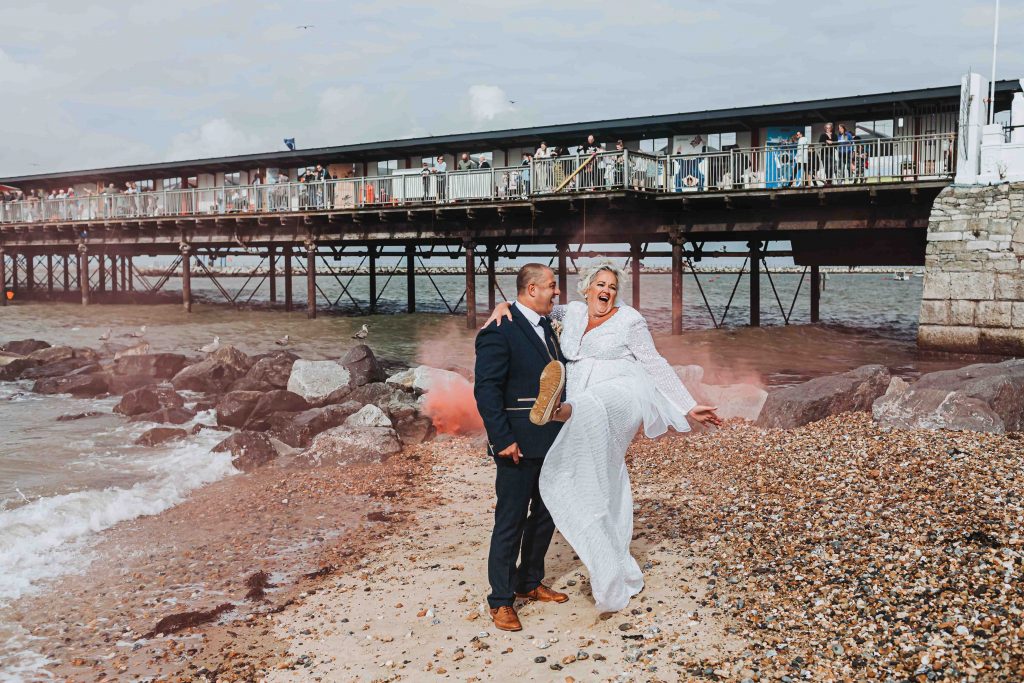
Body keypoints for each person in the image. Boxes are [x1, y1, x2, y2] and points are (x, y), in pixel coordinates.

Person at [482, 262, 721, 614]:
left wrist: (686, 406)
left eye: (612, 285)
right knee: (553, 495)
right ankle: (516, 588)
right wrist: (501, 306)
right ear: (588, 289)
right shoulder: (572, 312)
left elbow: (653, 362)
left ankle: (561, 409)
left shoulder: (629, 320)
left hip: (614, 398)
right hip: (567, 416)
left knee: (588, 451)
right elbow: (531, 305)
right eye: (600, 284)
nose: (606, 290)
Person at [474, 264, 569, 632]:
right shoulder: (501, 329)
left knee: (546, 514)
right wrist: (502, 439)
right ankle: (500, 600)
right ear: (532, 289)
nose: (557, 292)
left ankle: (529, 581)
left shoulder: (547, 325)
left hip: (551, 440)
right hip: (515, 443)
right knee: (510, 520)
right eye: (551, 286)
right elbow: (486, 390)